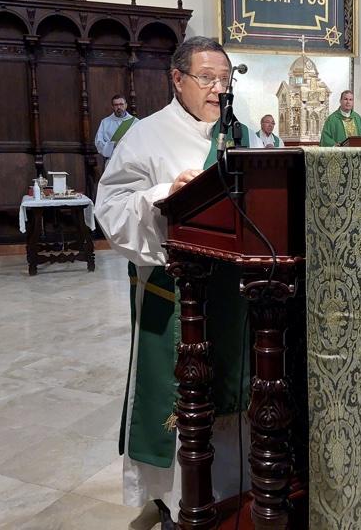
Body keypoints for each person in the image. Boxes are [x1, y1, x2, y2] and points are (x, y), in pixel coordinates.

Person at [95, 36, 249, 528]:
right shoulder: (145, 135)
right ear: (178, 79)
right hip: (177, 292)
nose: (218, 89)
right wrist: (166, 194)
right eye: (207, 78)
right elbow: (110, 209)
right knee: (181, 391)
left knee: (235, 385)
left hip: (234, 292)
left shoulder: (238, 132)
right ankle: (177, 498)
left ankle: (232, 489)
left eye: (225, 79)